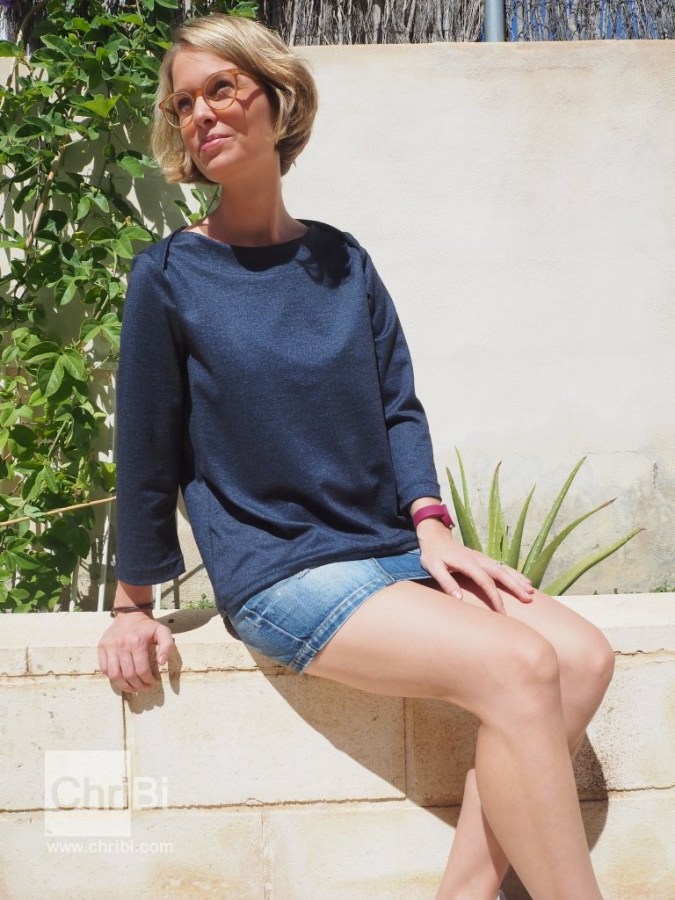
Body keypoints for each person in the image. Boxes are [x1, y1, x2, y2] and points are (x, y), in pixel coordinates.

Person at [98, 14, 613, 899]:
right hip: (283, 569)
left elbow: (397, 408)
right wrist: (130, 604)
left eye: (222, 89)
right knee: (521, 665)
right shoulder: (170, 275)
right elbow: (145, 448)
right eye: (183, 103)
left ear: (278, 99)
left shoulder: (343, 261)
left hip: (389, 551)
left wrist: (432, 527)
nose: (200, 114)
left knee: (584, 655)